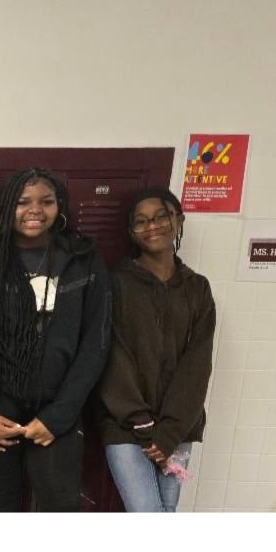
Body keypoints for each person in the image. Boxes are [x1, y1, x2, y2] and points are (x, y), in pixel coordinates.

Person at [0, 167, 110, 512]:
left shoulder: (82, 260)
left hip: (57, 408)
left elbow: (96, 343)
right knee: (3, 507)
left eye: (46, 201)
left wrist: (59, 417)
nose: (35, 210)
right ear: (5, 207)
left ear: (59, 207)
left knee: (60, 506)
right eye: (22, 202)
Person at [97, 186, 215, 512]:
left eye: (161, 216)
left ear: (178, 219)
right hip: (125, 426)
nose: (152, 226)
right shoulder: (116, 282)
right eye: (141, 221)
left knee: (166, 511)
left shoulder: (197, 288)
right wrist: (142, 423)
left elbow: (197, 363)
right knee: (148, 513)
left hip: (178, 429)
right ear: (132, 232)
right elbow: (112, 355)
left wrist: (169, 433)